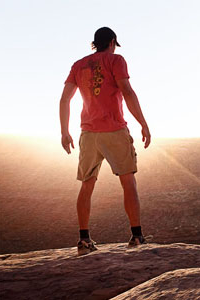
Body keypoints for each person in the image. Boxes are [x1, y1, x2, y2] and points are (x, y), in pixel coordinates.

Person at [59, 27, 151, 256]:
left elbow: (65, 99)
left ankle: (83, 239)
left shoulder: (78, 65)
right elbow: (127, 92)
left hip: (88, 133)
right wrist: (143, 123)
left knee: (86, 184)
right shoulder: (116, 60)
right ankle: (137, 236)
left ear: (94, 44)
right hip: (114, 130)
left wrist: (64, 131)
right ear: (112, 42)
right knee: (128, 181)